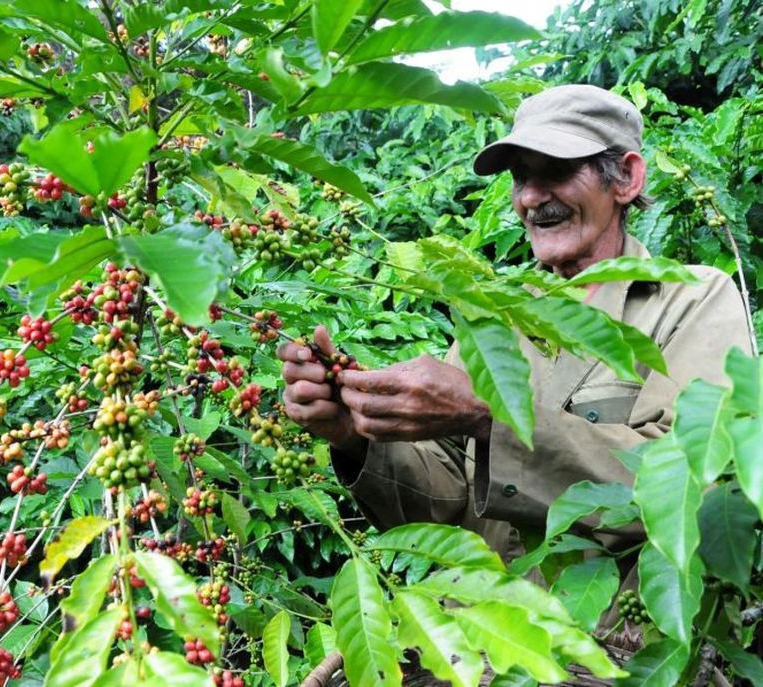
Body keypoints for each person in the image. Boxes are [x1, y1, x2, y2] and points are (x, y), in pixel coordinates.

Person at [276, 84, 752, 561]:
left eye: (559, 171)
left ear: (625, 178)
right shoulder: (498, 319)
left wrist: (488, 415)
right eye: (521, 177)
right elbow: (443, 505)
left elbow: (695, 490)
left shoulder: (693, 299)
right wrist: (352, 436)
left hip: (605, 631)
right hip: (486, 626)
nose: (532, 198)